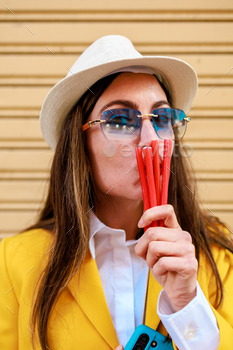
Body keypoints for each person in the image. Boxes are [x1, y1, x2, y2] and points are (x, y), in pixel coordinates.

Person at [0, 35, 233, 350]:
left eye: (162, 118)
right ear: (79, 143)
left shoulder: (216, 255)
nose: (151, 140)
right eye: (121, 120)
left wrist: (187, 303)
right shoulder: (13, 263)